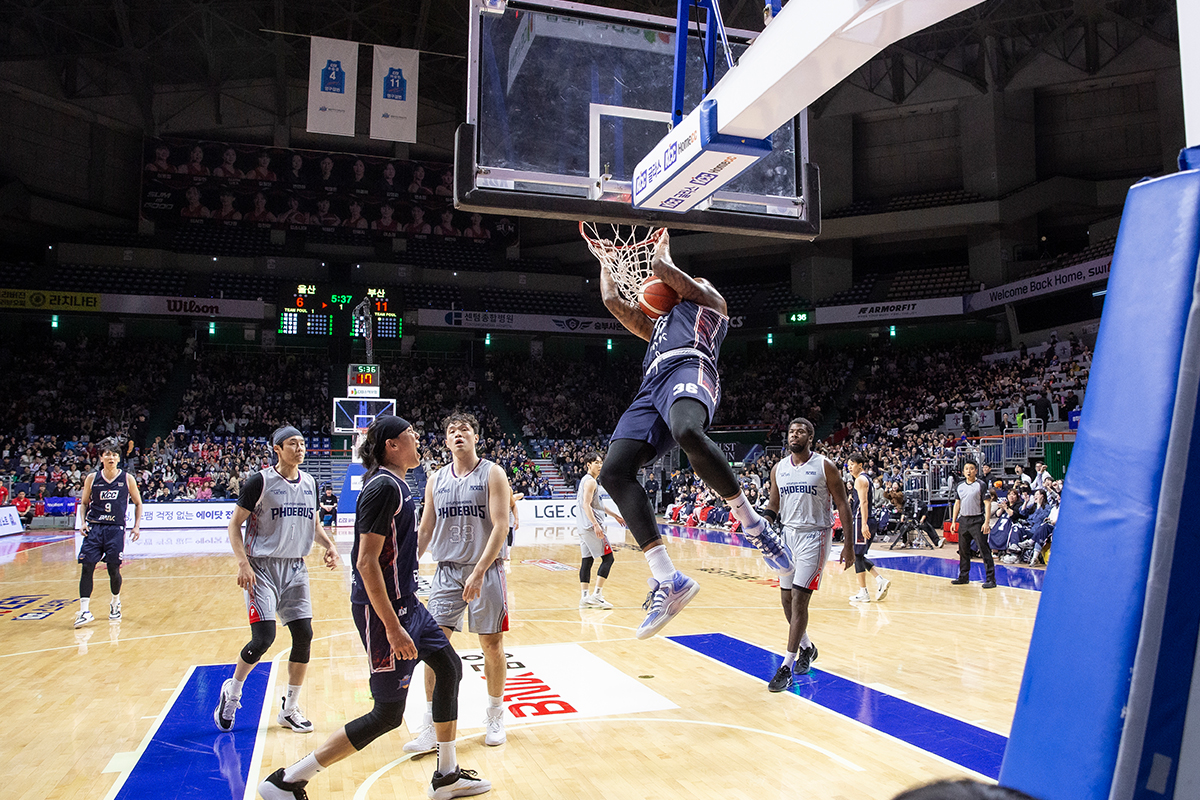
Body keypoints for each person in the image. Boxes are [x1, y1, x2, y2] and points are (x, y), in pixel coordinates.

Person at [257, 416, 490, 800]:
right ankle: (288, 779)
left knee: (449, 667)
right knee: (386, 715)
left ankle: (447, 775)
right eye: (411, 435)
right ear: (391, 446)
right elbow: (365, 562)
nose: (418, 439)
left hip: (408, 605)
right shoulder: (383, 486)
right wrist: (393, 627)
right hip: (385, 614)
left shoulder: (398, 483)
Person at [596, 229, 792, 639]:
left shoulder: (709, 304)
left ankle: (753, 525)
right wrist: (604, 261)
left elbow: (661, 268)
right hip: (651, 387)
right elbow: (613, 302)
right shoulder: (657, 328)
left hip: (692, 366)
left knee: (687, 430)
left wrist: (661, 248)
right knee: (613, 473)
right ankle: (669, 580)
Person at [214, 426, 339, 735]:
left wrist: (330, 546)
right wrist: (243, 563)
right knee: (263, 639)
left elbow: (312, 524)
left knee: (304, 635)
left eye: (302, 443)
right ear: (277, 449)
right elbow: (234, 525)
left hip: (296, 568)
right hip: (262, 569)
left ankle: (290, 708)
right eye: (292, 444)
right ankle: (233, 691)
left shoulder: (310, 482)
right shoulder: (260, 481)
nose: (299, 448)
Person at [405, 412, 513, 753]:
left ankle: (495, 715)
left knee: (492, 645)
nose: (457, 434)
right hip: (447, 571)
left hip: (487, 569)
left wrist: (480, 571)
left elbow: (501, 526)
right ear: (446, 441)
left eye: (464, 429)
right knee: (433, 648)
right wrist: (408, 567)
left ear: (475, 437)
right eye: (451, 430)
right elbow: (425, 529)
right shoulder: (436, 479)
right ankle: (429, 726)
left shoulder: (493, 473)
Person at [762, 418, 853, 692]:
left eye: (800, 431)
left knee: (800, 601)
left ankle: (786, 667)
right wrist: (761, 522)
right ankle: (807, 648)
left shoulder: (825, 466)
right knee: (787, 601)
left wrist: (849, 544)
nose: (794, 435)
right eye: (791, 431)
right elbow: (774, 503)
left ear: (810, 437)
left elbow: (842, 504)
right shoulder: (779, 468)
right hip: (788, 535)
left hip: (816, 535)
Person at [72, 441, 142, 627]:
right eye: (107, 454)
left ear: (119, 458)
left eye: (114, 455)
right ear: (101, 457)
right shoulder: (92, 478)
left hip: (115, 529)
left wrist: (136, 526)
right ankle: (84, 610)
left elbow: (138, 503)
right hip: (95, 527)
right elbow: (84, 503)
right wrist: (82, 522)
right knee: (87, 567)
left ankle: (115, 602)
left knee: (113, 570)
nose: (111, 457)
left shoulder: (127, 478)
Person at [577, 452, 624, 610]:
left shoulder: (587, 481)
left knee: (587, 560)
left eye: (601, 462)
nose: (600, 465)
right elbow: (586, 505)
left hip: (583, 527)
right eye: (596, 462)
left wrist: (614, 515)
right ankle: (597, 595)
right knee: (608, 558)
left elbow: (598, 505)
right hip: (591, 527)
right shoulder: (590, 482)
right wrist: (596, 525)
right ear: (588, 464)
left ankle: (584, 597)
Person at [846, 451, 891, 603]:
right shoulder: (867, 479)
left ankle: (864, 591)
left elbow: (864, 503)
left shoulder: (860, 480)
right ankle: (879, 580)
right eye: (848, 465)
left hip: (862, 520)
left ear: (860, 465)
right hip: (865, 519)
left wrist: (863, 523)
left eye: (852, 465)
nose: (849, 467)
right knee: (858, 555)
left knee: (857, 555)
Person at [950, 461, 995, 589]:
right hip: (963, 520)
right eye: (966, 469)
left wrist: (986, 522)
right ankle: (963, 577)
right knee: (963, 551)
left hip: (977, 521)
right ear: (963, 471)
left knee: (984, 550)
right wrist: (954, 521)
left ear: (976, 471)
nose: (968, 471)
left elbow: (987, 504)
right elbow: (957, 504)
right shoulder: (959, 486)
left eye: (971, 469)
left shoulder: (981, 485)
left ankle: (991, 579)